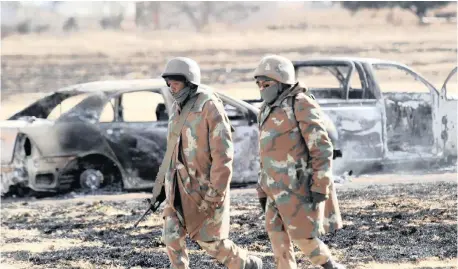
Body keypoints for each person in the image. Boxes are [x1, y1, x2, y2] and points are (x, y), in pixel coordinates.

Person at [160, 57, 263, 269]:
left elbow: (223, 156)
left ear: (189, 82)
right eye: (169, 84)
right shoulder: (177, 108)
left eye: (176, 83)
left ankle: (246, 264)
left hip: (203, 191)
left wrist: (215, 193)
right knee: (171, 236)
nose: (172, 88)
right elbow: (172, 151)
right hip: (178, 190)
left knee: (210, 242)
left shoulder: (210, 107)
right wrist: (164, 186)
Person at [253, 55, 345, 269]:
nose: (262, 89)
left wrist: (321, 184)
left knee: (304, 238)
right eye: (259, 84)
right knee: (278, 242)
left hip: (298, 188)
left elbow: (321, 147)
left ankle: (332, 266)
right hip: (273, 188)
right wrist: (261, 186)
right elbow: (265, 151)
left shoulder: (301, 103)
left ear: (282, 82)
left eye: (267, 84)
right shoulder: (266, 109)